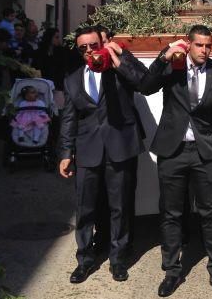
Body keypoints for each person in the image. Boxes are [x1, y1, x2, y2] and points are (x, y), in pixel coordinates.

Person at [139, 24, 212, 298]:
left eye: (208, 45)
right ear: (189, 45)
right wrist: (164, 57)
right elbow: (146, 87)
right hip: (173, 150)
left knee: (211, 212)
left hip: (205, 151)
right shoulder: (173, 68)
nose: (204, 50)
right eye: (200, 45)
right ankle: (171, 270)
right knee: (171, 212)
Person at [58, 27, 148, 285]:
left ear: (103, 43)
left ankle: (118, 259)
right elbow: (68, 119)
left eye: (93, 45)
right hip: (87, 149)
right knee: (84, 209)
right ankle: (84, 259)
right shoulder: (73, 78)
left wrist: (118, 57)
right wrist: (65, 153)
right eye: (83, 48)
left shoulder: (118, 68)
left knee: (119, 207)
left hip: (120, 147)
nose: (89, 51)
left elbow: (143, 82)